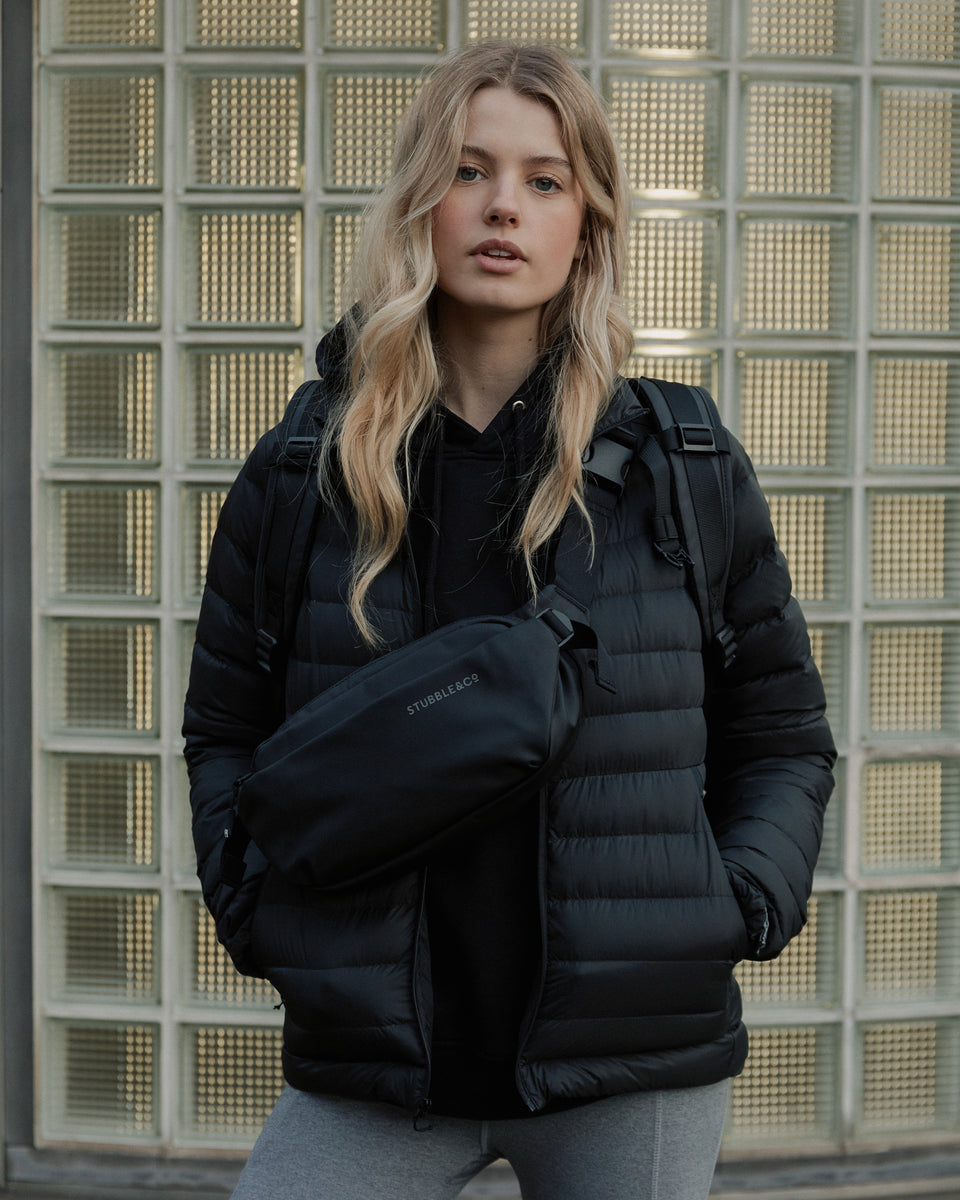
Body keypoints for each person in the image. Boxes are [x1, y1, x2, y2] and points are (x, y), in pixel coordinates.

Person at [183, 40, 835, 1200]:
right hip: (376, 1070)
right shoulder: (302, 474)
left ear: (586, 221)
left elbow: (782, 728)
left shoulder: (680, 465)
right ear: (420, 204)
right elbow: (223, 726)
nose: (502, 207)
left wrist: (735, 905)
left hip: (629, 1068)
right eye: (470, 170)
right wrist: (258, 912)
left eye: (544, 180)